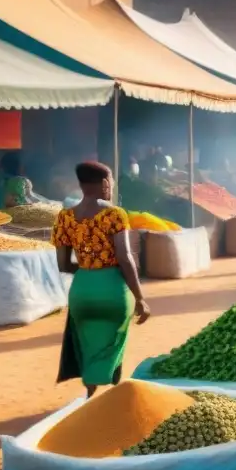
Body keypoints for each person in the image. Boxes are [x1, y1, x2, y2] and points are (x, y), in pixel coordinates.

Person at [52, 162, 149, 398]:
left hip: (82, 289)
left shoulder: (65, 217)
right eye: (112, 182)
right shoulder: (114, 214)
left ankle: (90, 395)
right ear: (106, 183)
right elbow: (125, 258)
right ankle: (111, 399)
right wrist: (140, 298)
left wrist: (89, 270)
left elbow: (63, 265)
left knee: (87, 345)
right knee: (114, 342)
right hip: (112, 288)